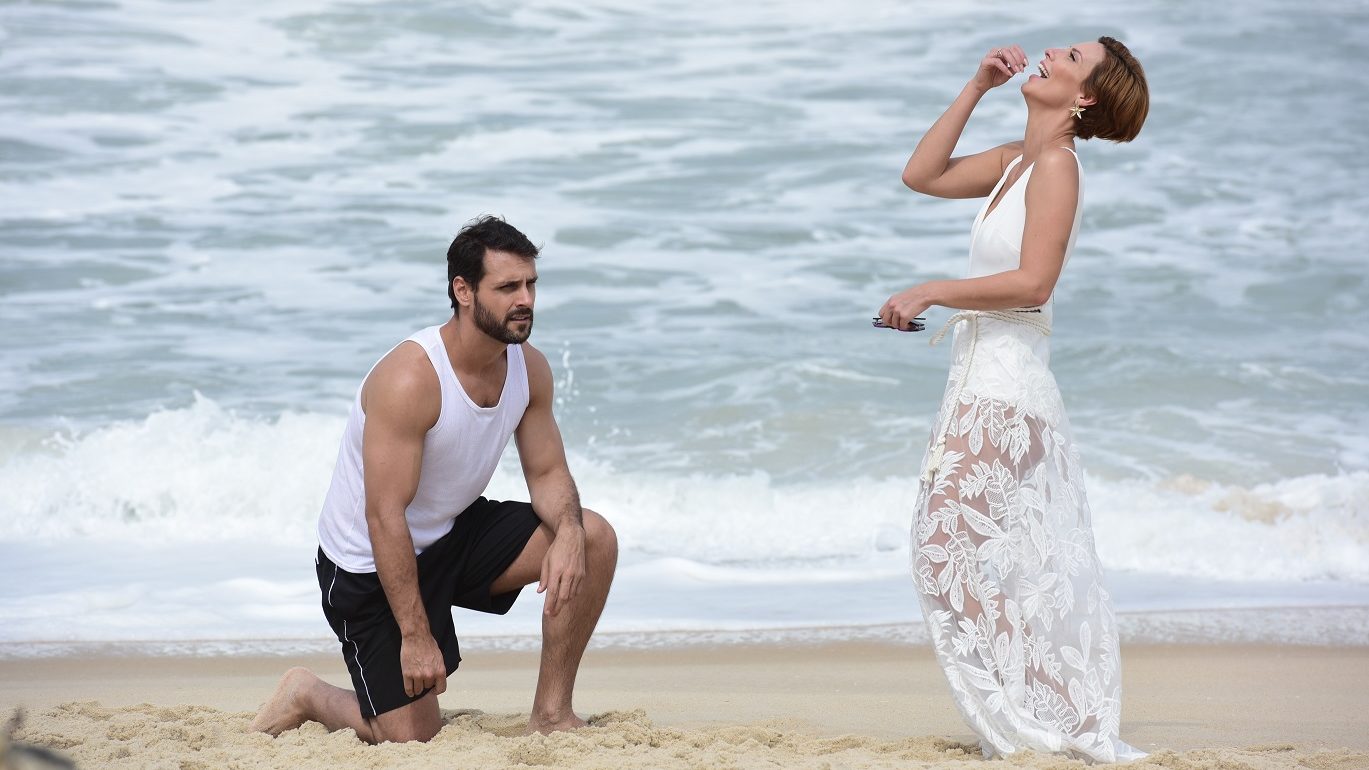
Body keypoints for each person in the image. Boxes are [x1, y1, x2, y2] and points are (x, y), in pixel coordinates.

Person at [879, 39, 1149, 762]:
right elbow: (920, 174)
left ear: (1083, 96)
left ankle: (1029, 716)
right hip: (977, 375)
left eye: (1071, 56)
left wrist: (934, 288)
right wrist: (975, 85)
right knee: (970, 550)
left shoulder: (1058, 165)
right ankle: (1033, 709)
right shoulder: (1017, 161)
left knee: (945, 544)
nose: (1051, 51)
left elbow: (1033, 284)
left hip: (1008, 383)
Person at [252, 215, 618, 743]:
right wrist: (416, 635)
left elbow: (548, 471)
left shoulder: (529, 368)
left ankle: (552, 713)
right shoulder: (412, 378)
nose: (526, 300)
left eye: (531, 284)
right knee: (412, 736)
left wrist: (568, 533)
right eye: (508, 287)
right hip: (369, 565)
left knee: (594, 536)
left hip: (449, 533)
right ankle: (306, 692)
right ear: (463, 291)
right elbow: (384, 516)